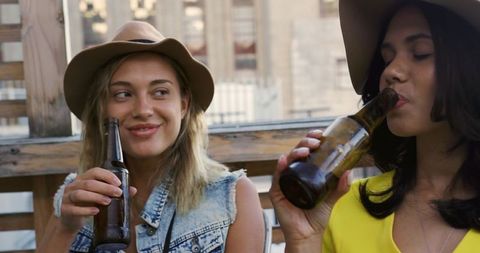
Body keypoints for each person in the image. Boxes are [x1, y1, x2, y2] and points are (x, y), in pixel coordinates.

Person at [270, 0, 480, 252]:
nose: (391, 71)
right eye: (386, 58)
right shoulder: (340, 207)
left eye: (421, 52)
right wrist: (304, 239)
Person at [37, 21, 265, 253]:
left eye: (160, 92)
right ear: (102, 109)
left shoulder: (232, 198)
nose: (143, 109)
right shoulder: (74, 199)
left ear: (183, 105)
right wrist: (65, 228)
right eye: (123, 94)